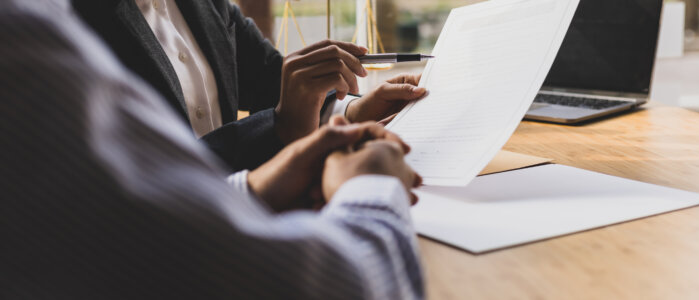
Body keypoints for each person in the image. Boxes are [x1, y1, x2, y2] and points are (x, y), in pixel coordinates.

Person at [1, 0, 424, 299]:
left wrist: (350, 111)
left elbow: (274, 80)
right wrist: (372, 185)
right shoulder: (54, 22)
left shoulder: (207, 4)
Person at [70, 0, 427, 172]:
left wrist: (351, 111)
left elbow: (273, 80)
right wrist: (280, 127)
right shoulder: (67, 21)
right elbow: (144, 166)